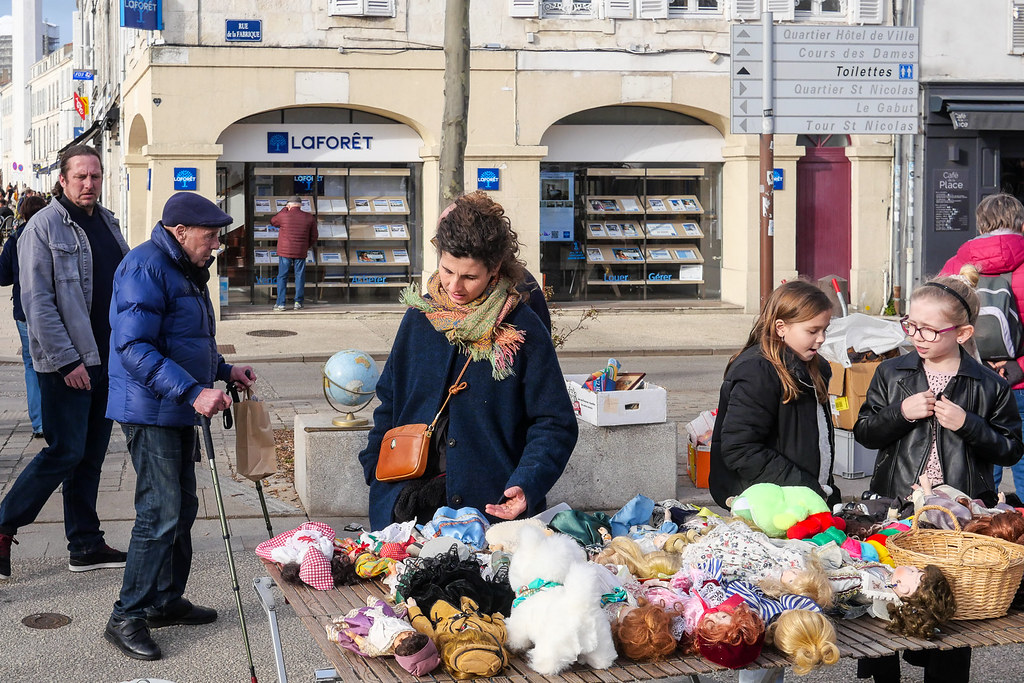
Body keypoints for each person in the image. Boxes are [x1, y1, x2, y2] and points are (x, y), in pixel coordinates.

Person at [357, 191, 578, 530]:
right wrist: (374, 468)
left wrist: (528, 484)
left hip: (490, 512)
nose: (454, 286)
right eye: (447, 271)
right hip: (404, 509)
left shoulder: (522, 327)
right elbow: (390, 400)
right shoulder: (420, 316)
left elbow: (554, 422)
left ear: (495, 270)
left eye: (469, 277)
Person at [103, 191, 256, 661]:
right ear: (180, 231)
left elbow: (189, 338)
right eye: (210, 237)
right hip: (151, 410)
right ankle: (126, 615)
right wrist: (193, 391)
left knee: (182, 507)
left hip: (174, 406)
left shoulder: (184, 266)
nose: (216, 245)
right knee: (160, 512)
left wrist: (224, 370)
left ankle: (164, 600)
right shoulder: (145, 266)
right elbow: (134, 349)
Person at [853, 275, 1024, 683]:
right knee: (889, 594)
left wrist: (969, 424)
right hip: (897, 502)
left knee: (954, 603)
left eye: (929, 329)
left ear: (963, 333)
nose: (917, 337)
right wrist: (901, 413)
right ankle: (884, 675)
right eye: (910, 326)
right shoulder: (891, 372)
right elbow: (864, 430)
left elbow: (1011, 448)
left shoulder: (990, 384)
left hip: (960, 514)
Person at [0, 145, 129, 581]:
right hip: (67, 365)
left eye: (95, 176)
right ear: (63, 180)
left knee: (90, 457)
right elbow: (38, 303)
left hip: (107, 360)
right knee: (63, 451)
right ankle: (3, 524)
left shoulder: (108, 221)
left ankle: (86, 543)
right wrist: (66, 360)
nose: (89, 184)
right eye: (81, 177)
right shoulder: (42, 227)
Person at [709, 280, 840, 511]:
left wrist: (826, 490)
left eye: (824, 330)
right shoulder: (757, 371)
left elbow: (818, 440)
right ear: (781, 327)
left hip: (803, 498)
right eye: (812, 331)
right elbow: (740, 448)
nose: (821, 339)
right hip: (767, 502)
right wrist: (807, 487)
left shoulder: (815, 368)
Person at [939, 193, 1024, 499]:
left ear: (980, 223)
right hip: (1019, 380)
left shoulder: (955, 264)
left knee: (982, 456)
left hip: (973, 378)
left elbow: (939, 323)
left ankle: (985, 531)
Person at [0, 194, 48, 438]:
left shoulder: (15, 239)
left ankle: (39, 423)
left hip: (24, 310)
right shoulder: (52, 235)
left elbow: (2, 278)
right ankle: (54, 419)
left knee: (31, 365)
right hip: (51, 310)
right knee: (54, 365)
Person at [270, 195, 317, 311]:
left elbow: (273, 221)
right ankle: (298, 302)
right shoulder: (309, 217)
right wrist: (306, 246)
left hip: (285, 251)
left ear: (289, 205)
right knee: (300, 276)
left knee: (282, 276)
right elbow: (314, 236)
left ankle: (281, 304)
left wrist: (284, 209)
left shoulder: (283, 215)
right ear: (300, 205)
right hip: (300, 251)